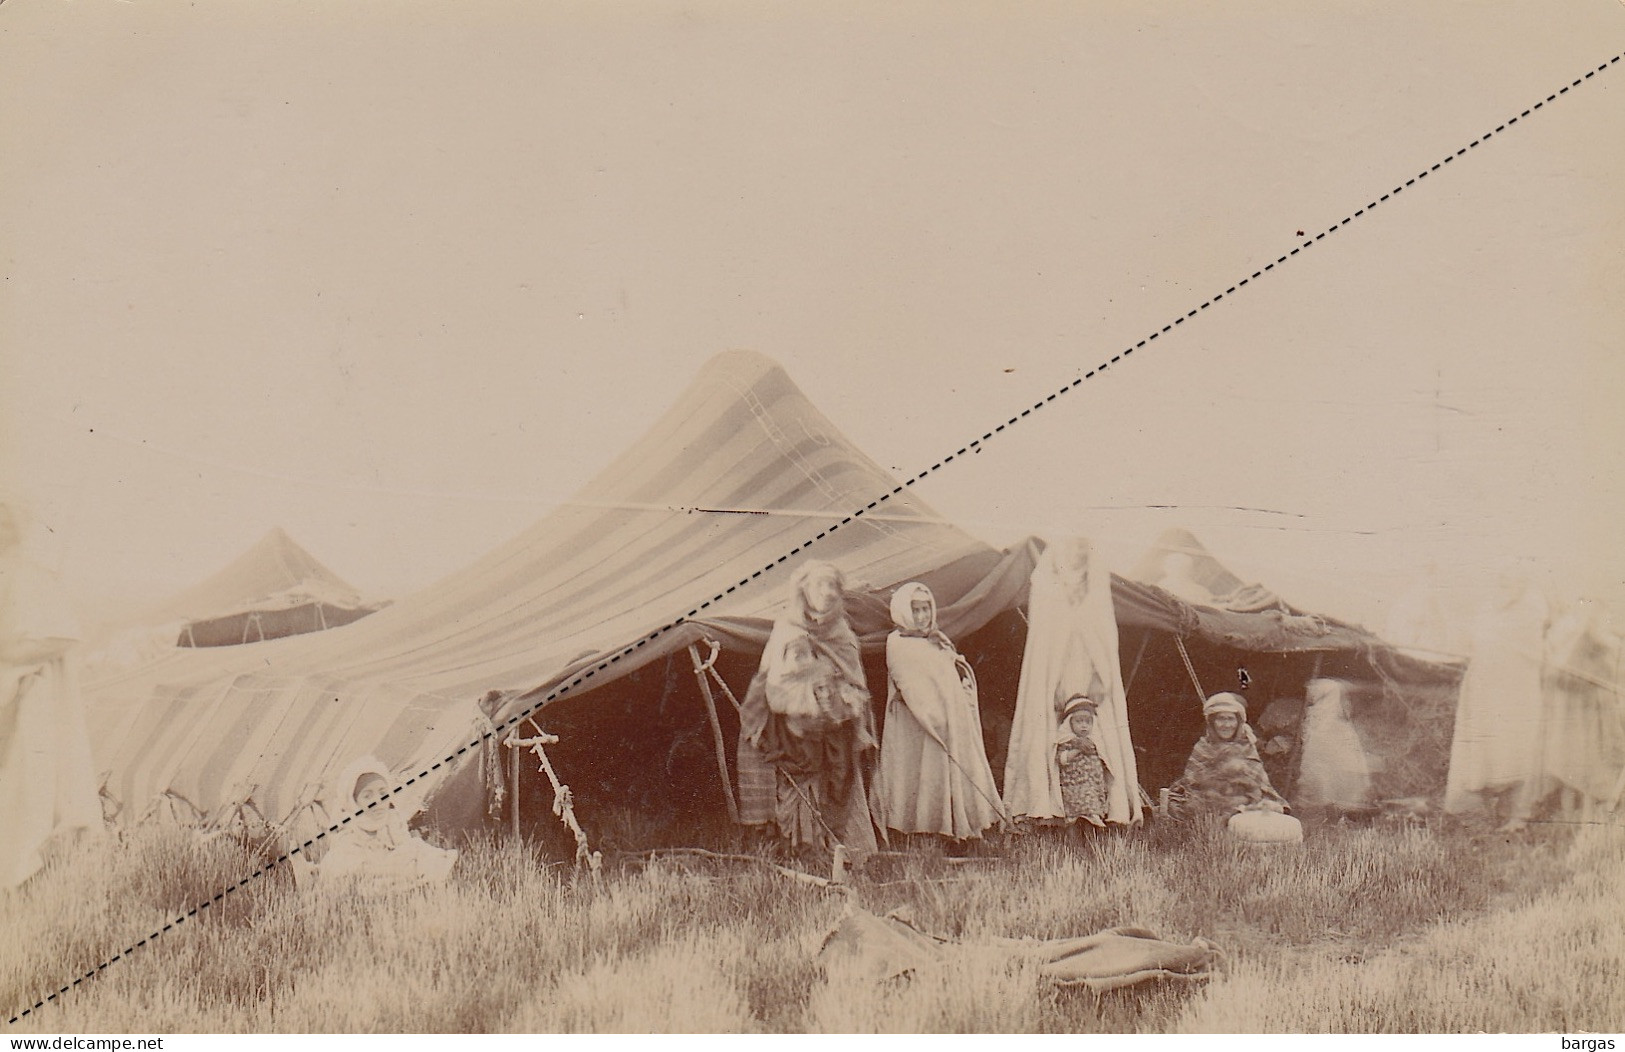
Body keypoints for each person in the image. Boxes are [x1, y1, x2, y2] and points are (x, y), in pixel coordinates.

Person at [737, 560, 880, 858]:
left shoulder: (843, 635)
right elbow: (774, 683)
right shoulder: (787, 630)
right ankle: (801, 848)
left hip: (835, 727)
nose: (827, 593)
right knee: (798, 785)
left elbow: (857, 684)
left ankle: (841, 850)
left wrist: (840, 702)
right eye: (819, 585)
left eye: (833, 587)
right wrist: (805, 702)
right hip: (791, 729)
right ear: (803, 591)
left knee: (838, 784)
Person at [1004, 537, 1143, 827]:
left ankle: (1104, 810)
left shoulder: (1096, 595)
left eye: (1083, 547)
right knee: (1051, 735)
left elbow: (1104, 643)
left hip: (1091, 677)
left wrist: (1099, 678)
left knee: (1097, 733)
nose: (1077, 554)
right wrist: (1051, 685)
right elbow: (1044, 648)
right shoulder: (1047, 592)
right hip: (1054, 677)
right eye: (1071, 547)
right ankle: (1047, 809)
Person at [0, 503, 103, 890]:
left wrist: (12, 650)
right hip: (9, 694)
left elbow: (61, 634)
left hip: (34, 701)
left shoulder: (33, 578)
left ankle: (24, 876)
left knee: (31, 788)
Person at [875, 582, 1003, 843]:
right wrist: (935, 719)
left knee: (950, 775)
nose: (922, 617)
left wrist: (953, 660)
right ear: (903, 611)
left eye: (925, 610)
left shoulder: (934, 639)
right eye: (916, 610)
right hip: (919, 723)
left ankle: (957, 828)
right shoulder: (898, 643)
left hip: (947, 719)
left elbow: (950, 672)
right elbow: (910, 684)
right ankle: (924, 831)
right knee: (923, 776)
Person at [315, 757, 457, 889]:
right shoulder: (350, 826)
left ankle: (413, 879)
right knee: (350, 869)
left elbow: (402, 844)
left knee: (418, 849)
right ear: (354, 802)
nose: (377, 801)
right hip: (364, 863)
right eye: (367, 796)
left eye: (383, 793)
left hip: (389, 860)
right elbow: (348, 854)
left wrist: (400, 851)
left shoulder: (392, 818)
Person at [1168, 692, 1289, 821]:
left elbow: (1261, 785)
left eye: (1230, 719)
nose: (1226, 725)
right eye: (1221, 719)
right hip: (1206, 801)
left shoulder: (1247, 747)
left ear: (1238, 722)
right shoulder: (1203, 747)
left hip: (1242, 802)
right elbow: (1192, 782)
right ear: (1213, 722)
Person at [1055, 695, 1109, 827]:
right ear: (1070, 723)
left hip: (1092, 784)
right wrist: (1078, 750)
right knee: (1074, 817)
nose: (1084, 726)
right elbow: (1061, 759)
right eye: (1079, 722)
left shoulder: (1096, 740)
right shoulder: (1067, 740)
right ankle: (1074, 843)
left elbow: (1105, 758)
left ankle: (1093, 840)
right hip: (1074, 784)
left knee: (1093, 813)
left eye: (1087, 722)